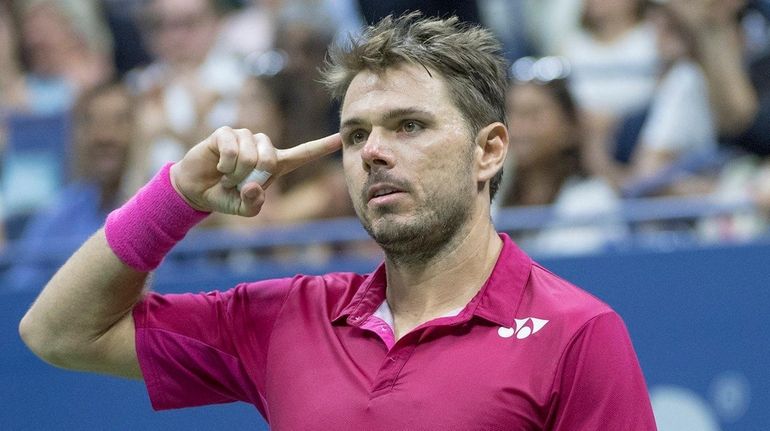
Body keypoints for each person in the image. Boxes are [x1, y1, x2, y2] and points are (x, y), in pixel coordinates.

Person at [19, 13, 656, 430]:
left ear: (488, 150)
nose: (373, 151)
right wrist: (177, 196)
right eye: (355, 135)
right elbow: (58, 333)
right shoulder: (285, 319)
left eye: (409, 125)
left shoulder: (578, 334)